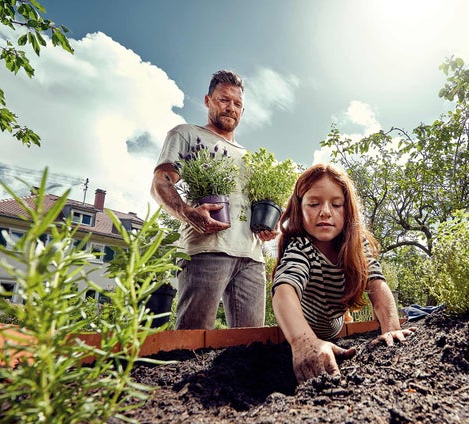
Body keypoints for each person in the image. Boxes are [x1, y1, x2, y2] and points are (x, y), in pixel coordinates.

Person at [151, 70, 277, 330]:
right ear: (208, 100)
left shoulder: (249, 156)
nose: (231, 107)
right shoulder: (186, 134)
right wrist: (187, 213)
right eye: (224, 99)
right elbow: (160, 183)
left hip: (251, 257)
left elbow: (256, 206)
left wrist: (268, 226)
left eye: (237, 103)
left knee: (251, 345)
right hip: (206, 249)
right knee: (192, 340)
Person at [272, 163, 415, 384]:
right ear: (299, 209)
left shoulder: (357, 246)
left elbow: (377, 285)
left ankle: (345, 315)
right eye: (313, 203)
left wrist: (391, 328)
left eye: (336, 204)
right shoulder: (300, 247)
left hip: (335, 326)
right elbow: (284, 291)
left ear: (347, 210)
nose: (326, 212)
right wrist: (303, 342)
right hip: (301, 327)